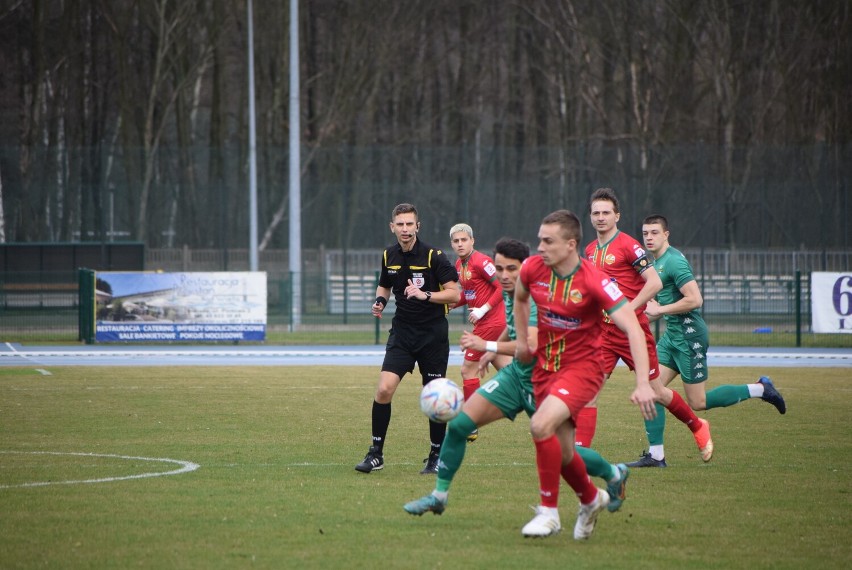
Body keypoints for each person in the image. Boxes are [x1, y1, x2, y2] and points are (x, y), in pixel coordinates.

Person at [403, 238, 630, 519]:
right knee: (460, 424)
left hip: (544, 381)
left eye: (511, 269)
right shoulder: (511, 291)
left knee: (565, 454)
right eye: (499, 269)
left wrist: (485, 346)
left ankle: (613, 473)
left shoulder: (535, 296)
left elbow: (529, 345)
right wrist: (492, 349)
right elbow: (513, 329)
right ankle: (439, 496)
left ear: (526, 268)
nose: (503, 275)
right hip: (515, 377)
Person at [514, 210, 657, 540]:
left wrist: (642, 384)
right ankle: (593, 499)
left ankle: (549, 512)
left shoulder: (593, 279)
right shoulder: (533, 268)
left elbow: (633, 328)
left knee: (540, 425)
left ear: (570, 245)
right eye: (539, 239)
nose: (540, 247)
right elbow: (520, 297)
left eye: (548, 241)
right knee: (564, 454)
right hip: (546, 370)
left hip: (584, 370)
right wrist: (522, 341)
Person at [626, 215, 787, 468]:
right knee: (651, 389)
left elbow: (695, 299)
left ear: (666, 234)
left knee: (697, 402)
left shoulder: (674, 262)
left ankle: (761, 389)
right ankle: (656, 456)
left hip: (690, 337)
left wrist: (660, 311)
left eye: (654, 232)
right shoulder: (655, 263)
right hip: (672, 337)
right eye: (645, 233)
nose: (649, 237)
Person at [578, 188, 712, 465]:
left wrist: (630, 308)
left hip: (633, 333)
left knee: (656, 392)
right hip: (604, 334)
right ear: (590, 217)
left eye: (606, 213)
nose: (601, 217)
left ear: (617, 216)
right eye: (596, 213)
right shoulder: (590, 251)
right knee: (588, 390)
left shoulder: (629, 246)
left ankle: (697, 425)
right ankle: (580, 455)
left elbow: (655, 283)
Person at [355, 203, 460, 475]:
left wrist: (426, 296)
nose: (404, 229)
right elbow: (385, 284)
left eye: (409, 224)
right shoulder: (388, 255)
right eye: (399, 224)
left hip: (432, 336)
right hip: (402, 333)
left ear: (417, 226)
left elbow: (455, 294)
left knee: (435, 398)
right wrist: (380, 300)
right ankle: (376, 454)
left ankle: (436, 456)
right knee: (383, 389)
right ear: (393, 227)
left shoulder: (433, 256)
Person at [449, 223, 509, 442]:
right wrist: (449, 305)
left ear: (472, 241)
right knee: (508, 369)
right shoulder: (459, 264)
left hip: (492, 322)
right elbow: (469, 292)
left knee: (467, 370)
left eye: (464, 240)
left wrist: (484, 309)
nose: (460, 244)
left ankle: (470, 423)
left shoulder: (482, 261)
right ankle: (540, 398)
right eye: (456, 241)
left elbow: (503, 285)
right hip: (485, 324)